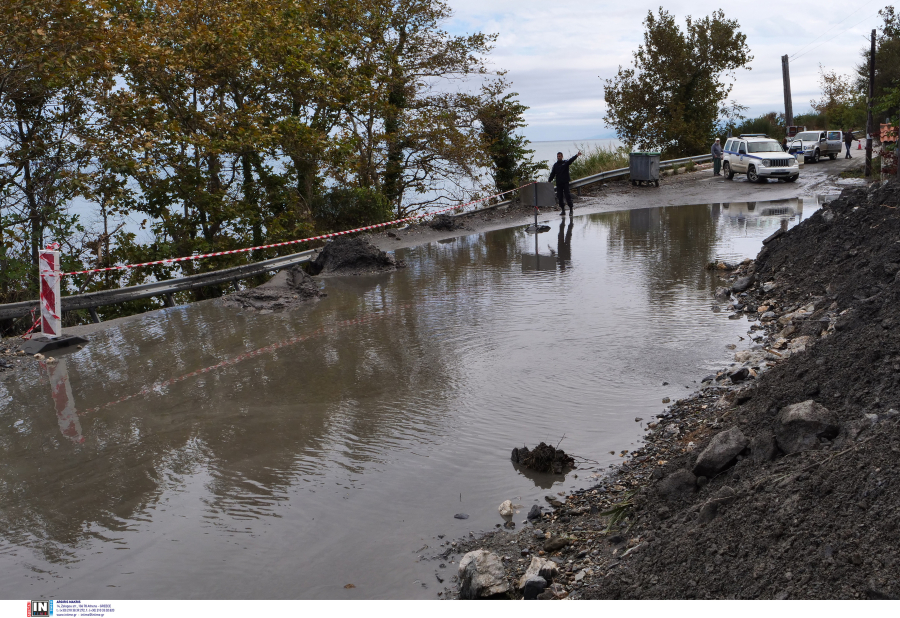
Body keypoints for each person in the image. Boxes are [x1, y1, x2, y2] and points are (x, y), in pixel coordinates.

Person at [548, 151, 581, 216]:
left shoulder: (565, 163)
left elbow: (571, 160)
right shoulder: (555, 165)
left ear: (562, 156)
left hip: (565, 182)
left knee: (567, 196)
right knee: (560, 197)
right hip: (559, 183)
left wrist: (576, 155)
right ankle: (563, 210)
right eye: (557, 156)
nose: (558, 157)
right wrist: (549, 180)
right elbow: (552, 174)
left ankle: (571, 210)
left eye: (559, 156)